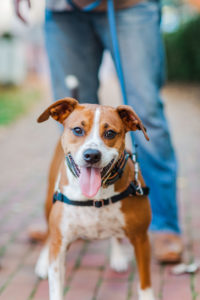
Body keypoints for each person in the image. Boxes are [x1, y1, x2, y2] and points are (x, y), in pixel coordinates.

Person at [15, 0, 183, 263]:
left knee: (145, 112)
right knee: (74, 122)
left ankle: (163, 224)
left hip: (130, 6)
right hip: (63, 11)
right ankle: (69, 214)